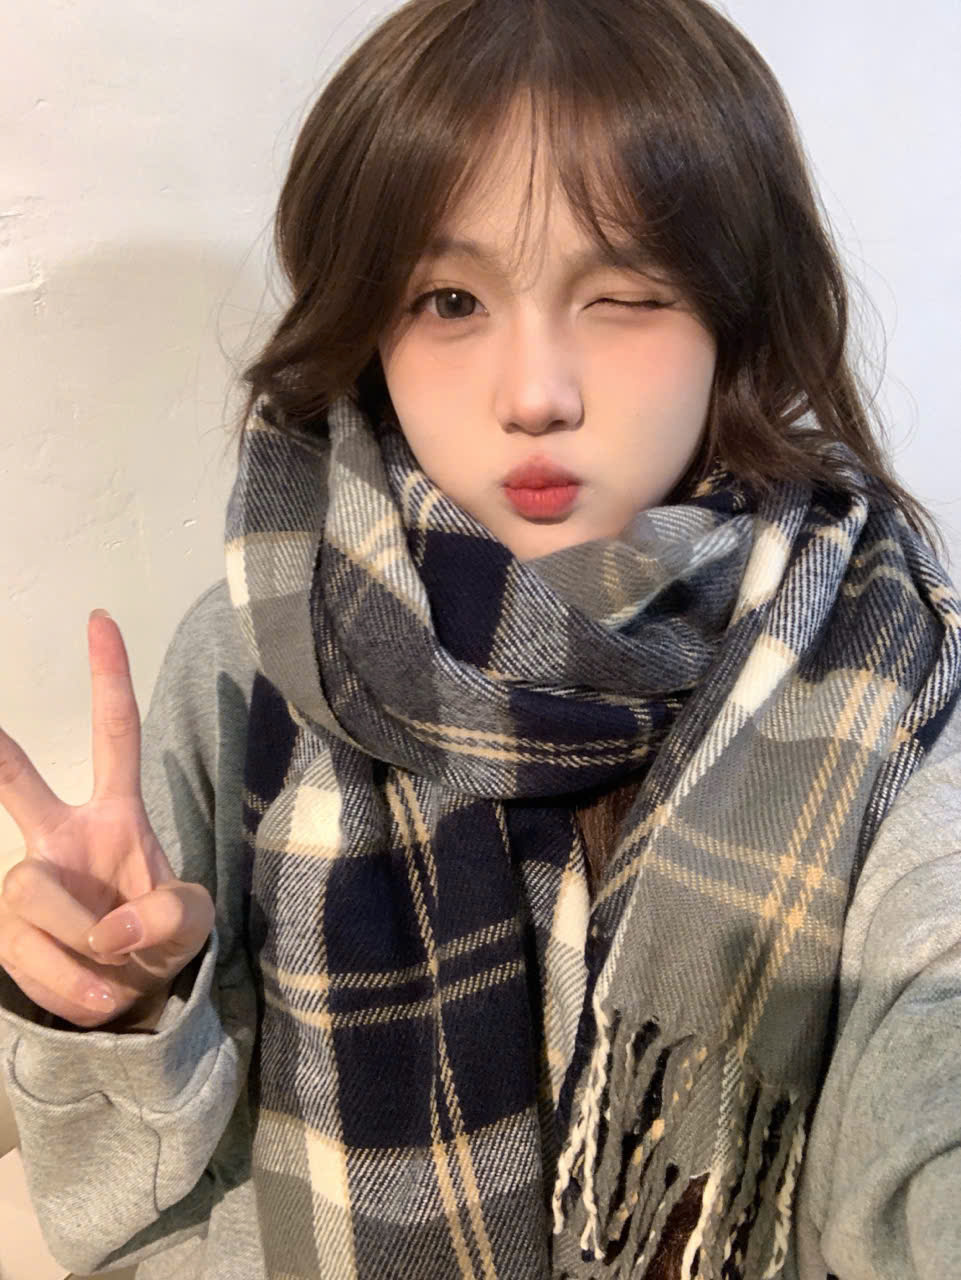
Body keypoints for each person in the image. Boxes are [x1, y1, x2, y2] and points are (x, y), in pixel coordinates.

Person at [0, 0, 959, 1276]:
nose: (534, 393)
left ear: (736, 311)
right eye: (450, 299)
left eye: (624, 293)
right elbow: (119, 1223)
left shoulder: (875, 652)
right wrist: (115, 1013)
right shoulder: (261, 652)